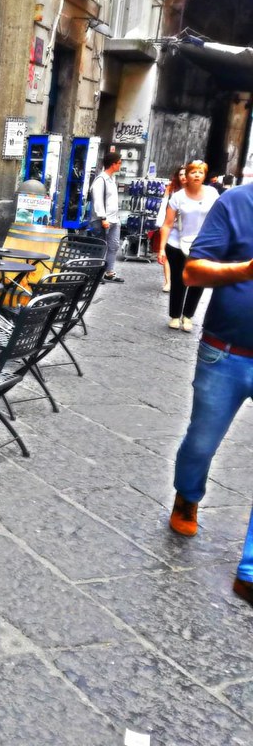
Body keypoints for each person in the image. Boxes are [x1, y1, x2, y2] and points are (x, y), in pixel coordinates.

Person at [167, 182, 253, 609]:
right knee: (202, 441)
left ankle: (250, 571)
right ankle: (188, 495)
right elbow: (193, 271)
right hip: (227, 351)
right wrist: (246, 269)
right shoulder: (237, 203)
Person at [158, 160, 219, 332]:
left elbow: (219, 219)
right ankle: (175, 316)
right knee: (179, 280)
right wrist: (162, 248)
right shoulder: (178, 196)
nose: (197, 175)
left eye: (200, 172)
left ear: (204, 175)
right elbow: (168, 224)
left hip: (202, 245)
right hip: (177, 244)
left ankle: (188, 316)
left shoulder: (213, 194)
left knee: (198, 280)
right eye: (193, 172)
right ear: (187, 175)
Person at [88, 150, 124, 283]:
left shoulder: (111, 179)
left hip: (114, 219)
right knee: (101, 246)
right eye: (119, 163)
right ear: (113, 164)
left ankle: (109, 272)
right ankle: (95, 274)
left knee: (113, 246)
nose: (120, 165)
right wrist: (103, 218)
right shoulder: (101, 180)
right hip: (103, 220)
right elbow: (98, 201)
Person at [154, 165, 187, 293]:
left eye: (185, 174)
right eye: (181, 174)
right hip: (171, 226)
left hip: (186, 230)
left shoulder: (194, 191)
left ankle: (180, 279)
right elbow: (163, 207)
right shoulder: (172, 189)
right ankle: (168, 282)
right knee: (167, 255)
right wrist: (161, 223)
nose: (183, 177)